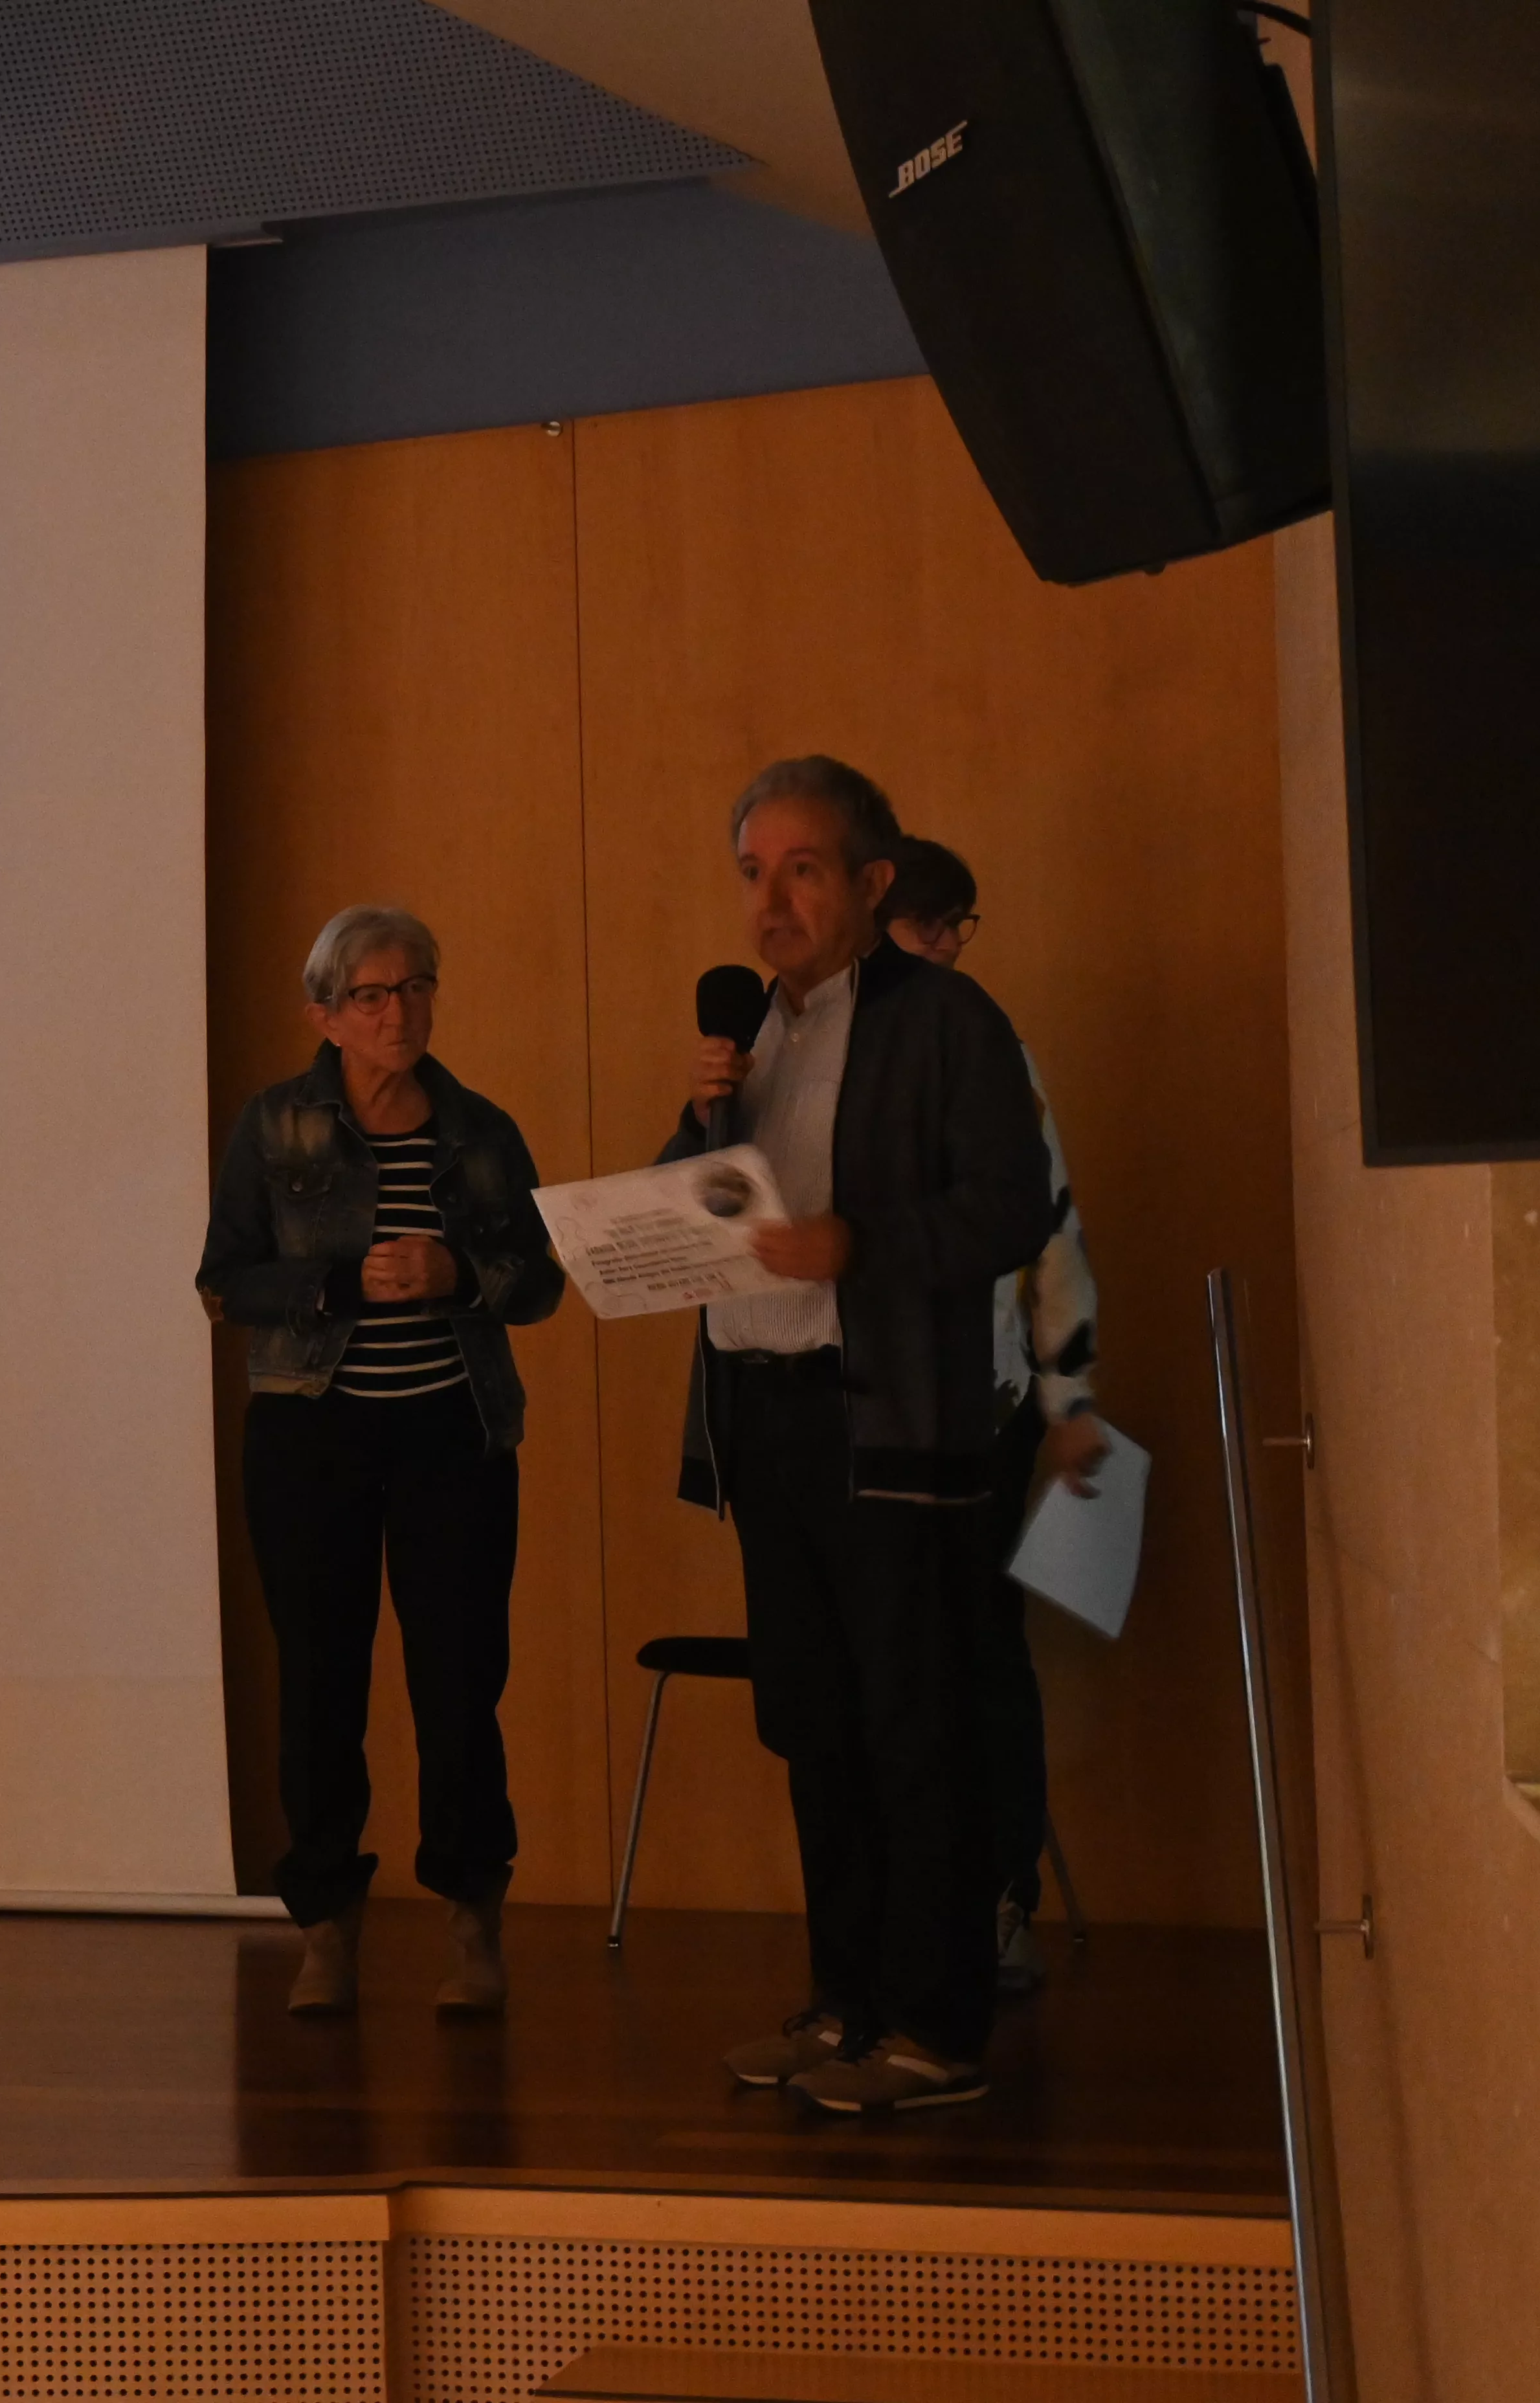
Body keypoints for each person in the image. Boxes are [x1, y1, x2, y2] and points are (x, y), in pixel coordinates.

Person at [665, 760, 1055, 2111]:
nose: (770, 902)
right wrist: (697, 1120)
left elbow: (1012, 1206)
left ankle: (936, 2029)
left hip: (886, 1425)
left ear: (872, 881)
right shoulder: (748, 1040)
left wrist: (863, 1244)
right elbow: (696, 1214)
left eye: (802, 869)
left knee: (911, 1729)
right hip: (764, 1419)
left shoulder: (947, 1020)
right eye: (752, 874)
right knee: (816, 1727)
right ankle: (846, 2007)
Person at [197, 906, 566, 2017]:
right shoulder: (276, 1126)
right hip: (313, 1438)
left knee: (460, 1682)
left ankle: (472, 1919)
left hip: (455, 1436)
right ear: (326, 1015)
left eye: (415, 987)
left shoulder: (482, 1130)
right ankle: (326, 1930)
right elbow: (224, 1282)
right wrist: (341, 1284)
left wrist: (462, 1276)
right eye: (371, 995)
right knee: (322, 1687)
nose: (398, 1013)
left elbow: (542, 1280)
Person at [879, 835, 1107, 1991]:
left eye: (961, 924)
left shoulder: (988, 1047)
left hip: (986, 1396)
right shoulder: (805, 1043)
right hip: (852, 1406)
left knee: (978, 1656)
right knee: (887, 1672)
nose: (952, 945)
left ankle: (1002, 1899)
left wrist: (1071, 1399)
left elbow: (1052, 1233)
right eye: (933, 924)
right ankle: (893, 1922)